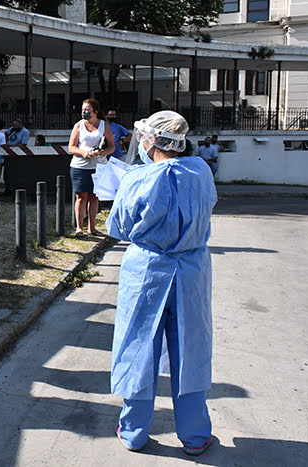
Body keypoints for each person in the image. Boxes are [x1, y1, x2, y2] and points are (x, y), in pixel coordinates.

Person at [107, 110, 217, 456]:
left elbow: (119, 226)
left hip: (147, 273)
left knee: (139, 348)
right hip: (191, 272)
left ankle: (134, 430)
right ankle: (195, 433)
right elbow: (208, 208)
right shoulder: (201, 172)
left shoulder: (138, 178)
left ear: (150, 141)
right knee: (190, 350)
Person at [68, 98, 115, 237]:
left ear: (95, 111)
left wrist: (100, 152)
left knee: (94, 197)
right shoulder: (79, 125)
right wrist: (83, 152)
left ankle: (92, 227)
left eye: (87, 110)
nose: (84, 112)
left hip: (99, 165)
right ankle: (79, 227)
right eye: (83, 110)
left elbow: (112, 147)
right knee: (81, 196)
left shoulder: (103, 126)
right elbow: (71, 147)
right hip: (80, 165)